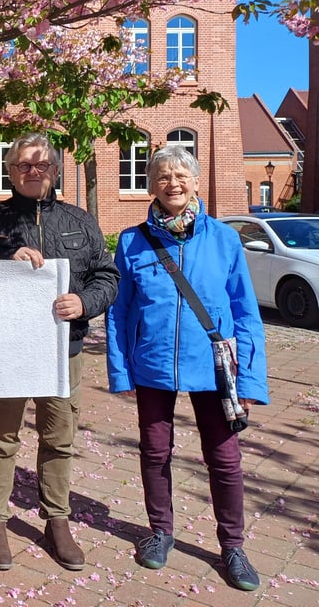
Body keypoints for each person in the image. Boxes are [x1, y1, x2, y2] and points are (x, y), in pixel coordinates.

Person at [106, 145, 268, 591]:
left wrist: (251, 380)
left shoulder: (223, 239)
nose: (172, 183)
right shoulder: (131, 241)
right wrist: (120, 372)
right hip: (153, 364)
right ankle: (160, 531)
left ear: (197, 182)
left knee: (224, 458)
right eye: (162, 176)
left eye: (181, 175)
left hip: (214, 367)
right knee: (155, 452)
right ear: (151, 184)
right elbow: (119, 312)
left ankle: (232, 546)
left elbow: (246, 313)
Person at [0, 133, 119, 571]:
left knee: (58, 439)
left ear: (55, 169)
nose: (34, 171)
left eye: (42, 164)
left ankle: (57, 521)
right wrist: (3, 266)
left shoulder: (81, 221)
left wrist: (84, 303)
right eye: (24, 165)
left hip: (61, 350)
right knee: (0, 438)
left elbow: (108, 278)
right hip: (4, 351)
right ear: (9, 171)